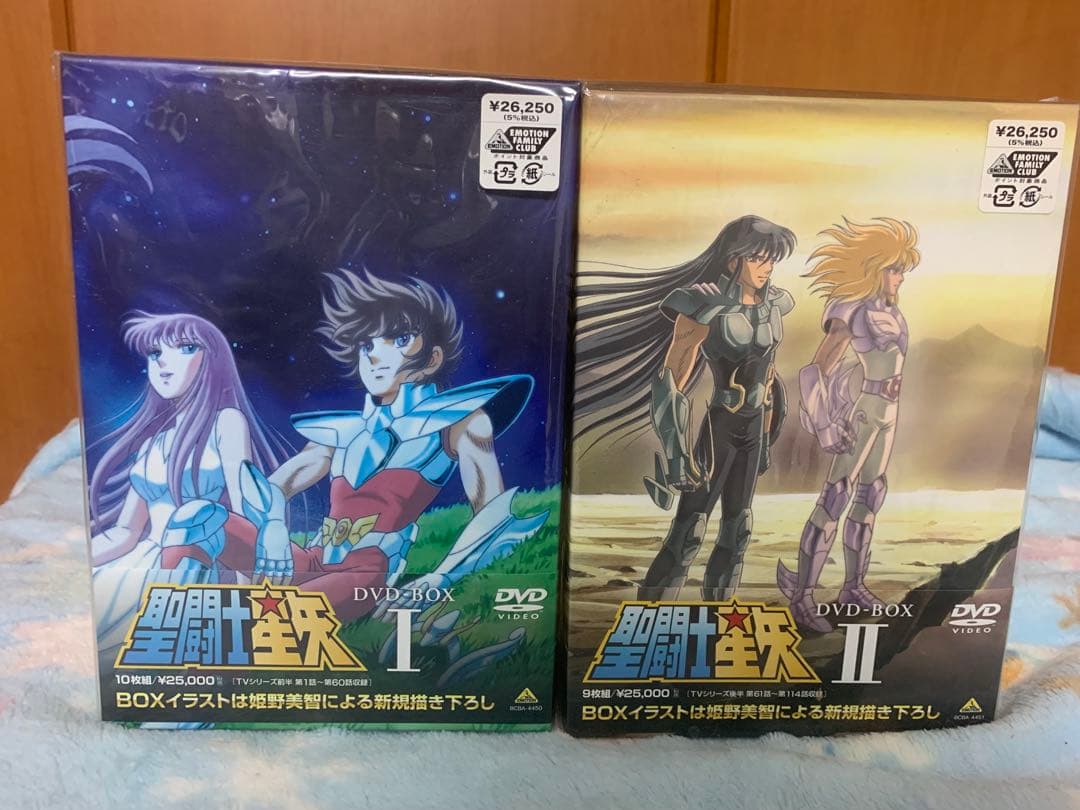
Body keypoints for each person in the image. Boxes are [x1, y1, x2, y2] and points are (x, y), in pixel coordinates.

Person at [161, 269, 546, 621]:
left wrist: (440, 578)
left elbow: (493, 512)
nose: (375, 355)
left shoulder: (459, 422)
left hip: (365, 573)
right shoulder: (341, 433)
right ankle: (174, 631)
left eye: (399, 340)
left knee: (270, 620)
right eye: (366, 344)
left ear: (432, 359)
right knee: (196, 519)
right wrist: (274, 526)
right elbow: (272, 487)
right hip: (311, 559)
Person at [575, 214, 796, 600]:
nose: (767, 267)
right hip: (720, 429)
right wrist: (677, 454)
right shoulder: (703, 304)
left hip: (754, 430)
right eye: (758, 258)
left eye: (771, 259)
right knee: (689, 531)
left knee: (738, 530)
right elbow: (671, 381)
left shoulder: (776, 303)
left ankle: (720, 618)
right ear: (734, 259)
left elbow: (769, 379)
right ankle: (649, 616)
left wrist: (766, 437)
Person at [89, 311, 278, 656]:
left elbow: (245, 514)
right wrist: (79, 563)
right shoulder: (151, 443)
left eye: (186, 348)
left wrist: (247, 602)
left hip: (197, 564)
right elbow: (126, 531)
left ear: (212, 361)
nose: (164, 362)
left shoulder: (227, 423)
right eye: (155, 353)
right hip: (142, 562)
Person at [777, 217, 920, 632]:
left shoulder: (889, 309)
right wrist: (824, 425)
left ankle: (852, 587)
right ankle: (803, 596)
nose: (900, 277)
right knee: (836, 495)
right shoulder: (852, 309)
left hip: (888, 412)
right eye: (894, 269)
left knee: (871, 494)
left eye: (902, 270)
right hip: (866, 411)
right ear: (874, 268)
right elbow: (814, 370)